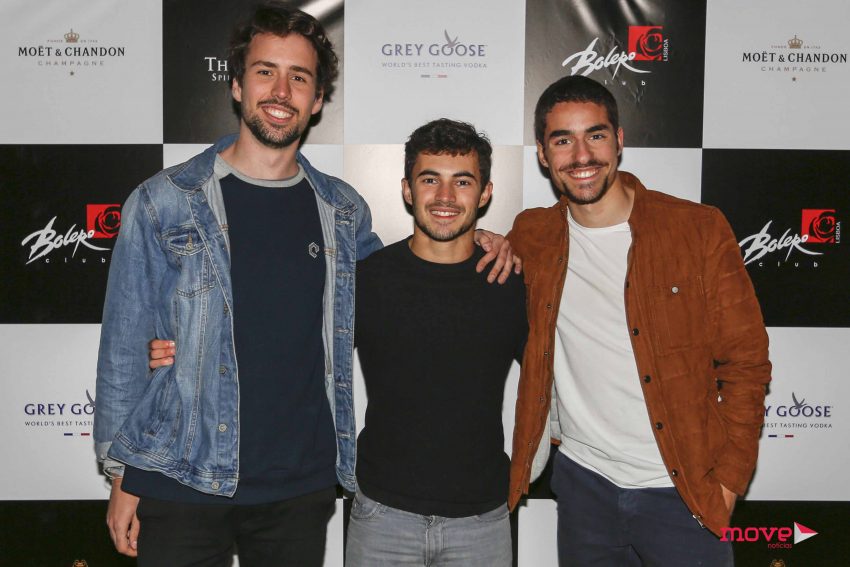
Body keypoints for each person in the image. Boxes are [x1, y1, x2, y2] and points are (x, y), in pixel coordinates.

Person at [94, 3, 514, 566]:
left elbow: (410, 278)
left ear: (317, 100)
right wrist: (122, 473)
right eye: (265, 71)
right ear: (237, 85)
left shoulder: (342, 210)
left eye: (299, 77)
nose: (280, 91)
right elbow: (124, 348)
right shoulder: (163, 201)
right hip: (181, 474)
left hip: (298, 489)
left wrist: (484, 239)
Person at [507, 76, 771, 566]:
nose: (581, 155)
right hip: (584, 487)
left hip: (684, 492)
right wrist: (482, 240)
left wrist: (730, 481)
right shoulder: (532, 235)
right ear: (543, 155)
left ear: (619, 140)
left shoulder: (696, 229)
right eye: (562, 140)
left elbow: (747, 363)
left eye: (596, 135)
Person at [345, 119, 527, 566]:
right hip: (381, 516)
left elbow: (560, 374)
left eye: (462, 182)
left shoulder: (511, 282)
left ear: (485, 193)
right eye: (430, 180)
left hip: (482, 521)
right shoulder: (367, 280)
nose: (445, 197)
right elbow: (302, 360)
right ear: (407, 190)